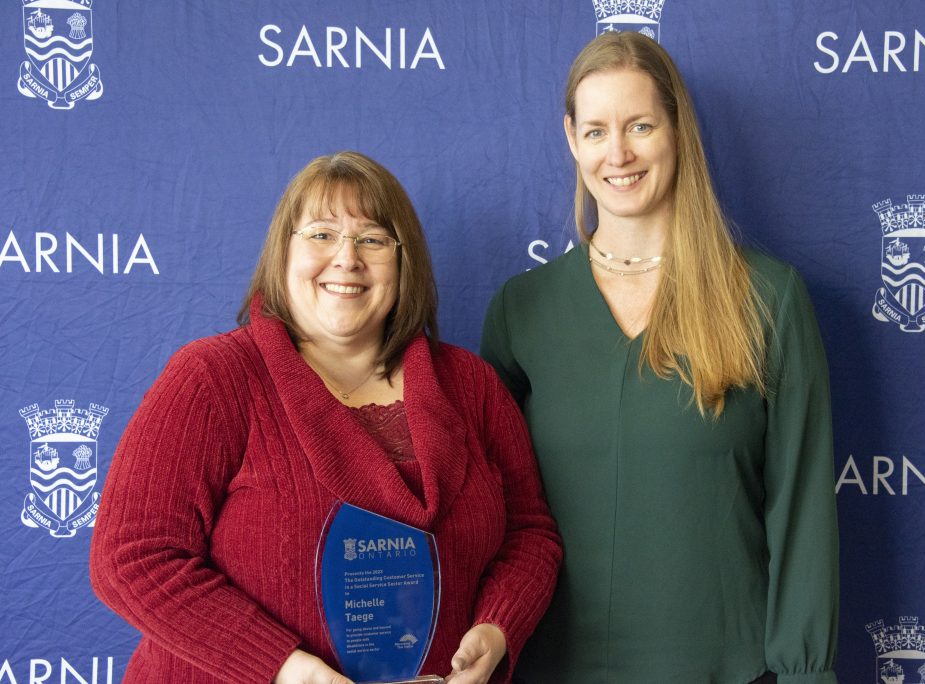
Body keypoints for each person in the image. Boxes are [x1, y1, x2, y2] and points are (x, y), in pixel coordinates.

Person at [91, 151, 561, 684]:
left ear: (403, 261)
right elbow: (132, 559)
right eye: (320, 235)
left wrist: (498, 628)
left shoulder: (471, 385)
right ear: (282, 253)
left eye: (373, 239)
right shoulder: (213, 378)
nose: (347, 258)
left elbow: (530, 534)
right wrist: (288, 670)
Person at [481, 32, 839, 683]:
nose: (617, 152)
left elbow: (803, 512)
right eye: (595, 130)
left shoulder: (768, 298)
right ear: (571, 138)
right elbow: (492, 522)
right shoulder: (520, 312)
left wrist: (806, 673)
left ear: (676, 128)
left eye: (640, 125)